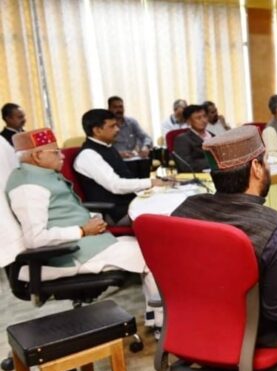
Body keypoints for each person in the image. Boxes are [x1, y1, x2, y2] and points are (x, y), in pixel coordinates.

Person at [6, 128, 161, 328]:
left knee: (147, 247)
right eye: (55, 152)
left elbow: (62, 211)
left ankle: (155, 317)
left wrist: (91, 220)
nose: (62, 155)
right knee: (155, 256)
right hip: (69, 254)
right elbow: (35, 239)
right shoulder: (28, 187)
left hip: (85, 245)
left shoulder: (40, 175)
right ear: (37, 155)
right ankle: (161, 321)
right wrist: (82, 230)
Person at [172, 125, 277, 347]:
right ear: (256, 167)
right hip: (252, 340)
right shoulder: (276, 227)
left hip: (192, 331)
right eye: (267, 160)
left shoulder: (185, 210)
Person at [74, 109, 166, 225]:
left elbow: (125, 178)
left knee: (171, 202)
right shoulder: (88, 155)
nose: (118, 130)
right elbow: (115, 185)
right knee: (169, 217)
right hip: (116, 213)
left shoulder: (108, 147)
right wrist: (150, 182)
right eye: (112, 126)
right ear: (97, 130)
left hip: (131, 204)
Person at [107, 96, 152, 179]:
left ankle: (145, 189)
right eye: (115, 107)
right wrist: (118, 154)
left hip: (134, 158)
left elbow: (146, 137)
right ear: (109, 109)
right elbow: (104, 147)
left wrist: (146, 147)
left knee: (145, 161)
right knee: (133, 168)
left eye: (121, 107)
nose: (119, 110)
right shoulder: (106, 125)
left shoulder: (131, 122)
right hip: (118, 160)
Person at [173, 104, 212, 172]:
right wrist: (214, 161)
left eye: (205, 116)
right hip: (198, 177)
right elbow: (186, 165)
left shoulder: (213, 136)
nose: (203, 120)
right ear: (189, 121)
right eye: (198, 118)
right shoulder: (183, 140)